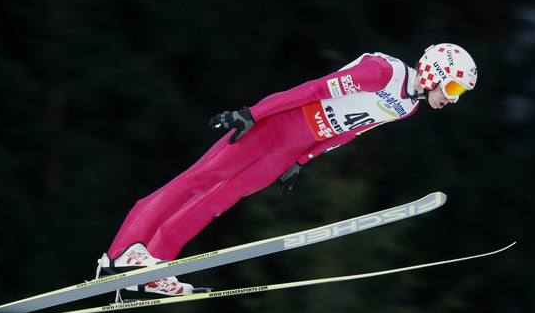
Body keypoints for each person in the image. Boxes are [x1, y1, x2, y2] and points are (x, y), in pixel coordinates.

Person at [96, 43, 478, 295]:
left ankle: (154, 264)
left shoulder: (408, 106)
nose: (452, 100)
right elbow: (312, 90)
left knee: (219, 199)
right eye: (455, 90)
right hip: (277, 125)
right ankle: (121, 253)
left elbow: (349, 132)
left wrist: (300, 161)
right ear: (435, 73)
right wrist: (252, 115)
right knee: (199, 179)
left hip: (294, 145)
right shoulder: (383, 73)